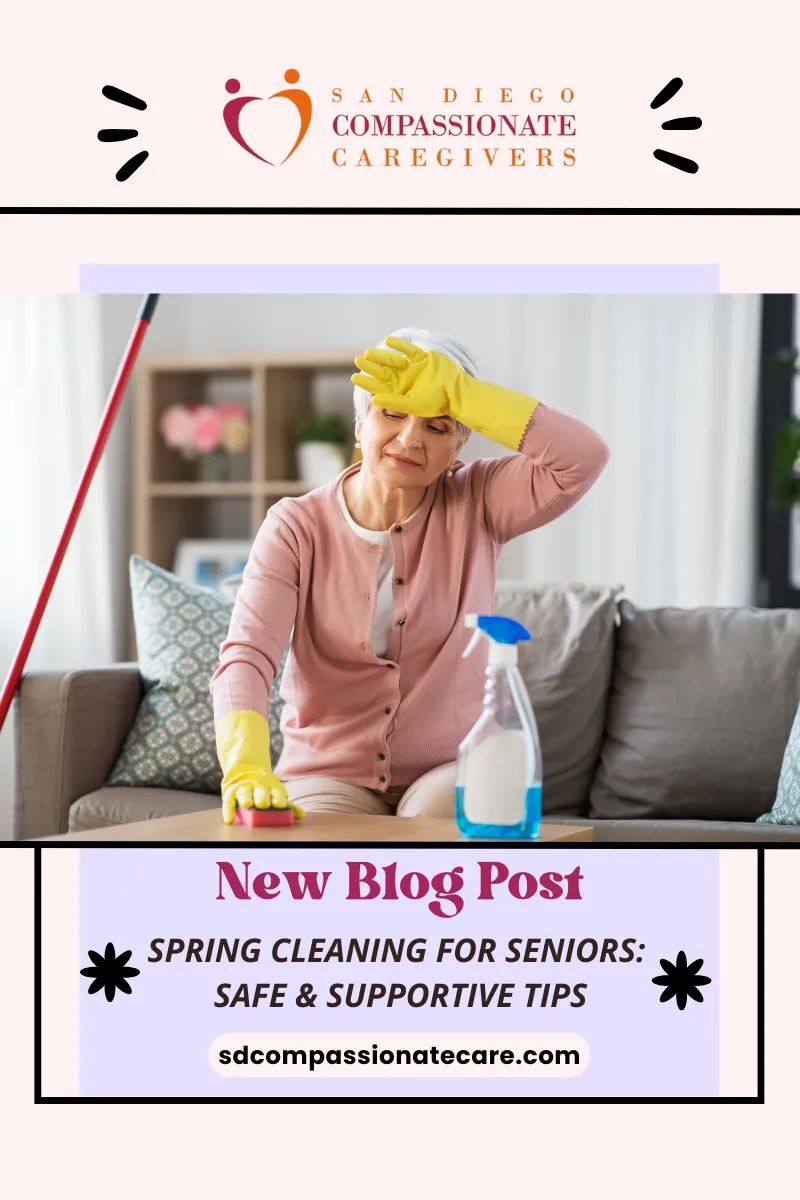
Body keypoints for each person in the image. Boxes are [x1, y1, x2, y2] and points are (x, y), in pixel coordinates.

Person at [210, 326, 609, 824]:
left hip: (446, 769)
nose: (409, 438)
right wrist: (245, 767)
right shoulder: (296, 526)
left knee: (438, 841)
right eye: (391, 413)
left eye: (437, 426)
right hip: (326, 772)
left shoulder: (479, 500)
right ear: (360, 426)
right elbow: (248, 656)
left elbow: (583, 458)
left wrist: (466, 395)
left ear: (459, 443)